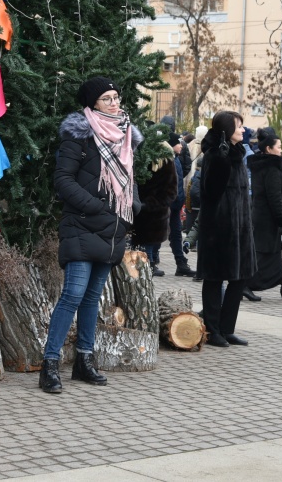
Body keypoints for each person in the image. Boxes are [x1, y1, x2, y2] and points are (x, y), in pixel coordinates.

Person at [40, 77, 142, 393]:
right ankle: (50, 365)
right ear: (93, 104)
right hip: (83, 225)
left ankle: (85, 360)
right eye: (107, 99)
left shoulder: (124, 137)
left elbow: (128, 180)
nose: (115, 103)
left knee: (92, 298)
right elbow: (63, 180)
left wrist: (133, 207)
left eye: (116, 97)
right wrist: (95, 206)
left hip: (113, 229)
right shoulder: (79, 137)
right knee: (72, 294)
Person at [198, 111, 256, 347]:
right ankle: (213, 330)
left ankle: (227, 327)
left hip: (240, 227)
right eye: (239, 126)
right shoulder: (215, 155)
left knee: (239, 278)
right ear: (226, 130)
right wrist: (222, 162)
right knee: (214, 279)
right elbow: (211, 192)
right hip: (219, 228)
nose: (243, 130)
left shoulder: (237, 153)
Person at [246, 128, 282, 301]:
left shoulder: (261, 165)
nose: (281, 149)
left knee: (274, 252)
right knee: (264, 253)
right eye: (278, 147)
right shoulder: (271, 169)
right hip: (267, 218)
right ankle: (245, 284)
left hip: (261, 215)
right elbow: (274, 198)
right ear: (269, 149)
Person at [132, 137, 179, 278]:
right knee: (142, 250)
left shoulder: (165, 164)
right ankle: (149, 266)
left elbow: (171, 192)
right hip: (144, 213)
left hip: (152, 214)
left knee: (147, 249)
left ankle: (150, 265)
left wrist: (147, 205)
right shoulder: (140, 162)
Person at [164, 133, 197, 277]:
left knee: (176, 234)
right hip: (168, 204)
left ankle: (181, 262)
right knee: (160, 233)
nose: (181, 146)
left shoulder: (176, 159)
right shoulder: (167, 159)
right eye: (178, 143)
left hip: (176, 204)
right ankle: (151, 262)